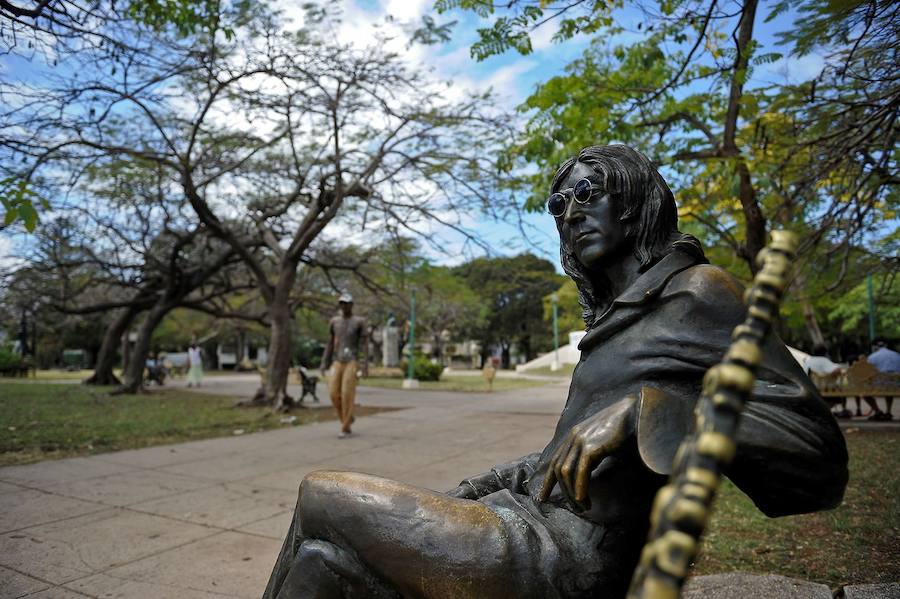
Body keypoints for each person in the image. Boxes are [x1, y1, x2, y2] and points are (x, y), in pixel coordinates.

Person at [263, 145, 848, 599]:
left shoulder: (700, 292)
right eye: (559, 207)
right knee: (324, 564)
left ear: (633, 198)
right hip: (529, 520)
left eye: (587, 195)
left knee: (321, 495)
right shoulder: (614, 323)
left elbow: (817, 457)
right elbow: (568, 458)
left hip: (572, 561)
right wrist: (487, 483)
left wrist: (648, 414)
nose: (570, 215)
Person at [320, 293, 369, 438]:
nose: (344, 306)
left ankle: (345, 427)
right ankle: (347, 418)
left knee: (347, 393)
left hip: (352, 360)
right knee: (333, 393)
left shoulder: (359, 321)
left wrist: (365, 365)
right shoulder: (334, 321)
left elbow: (365, 345)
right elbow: (330, 343)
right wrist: (324, 362)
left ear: (351, 305)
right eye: (341, 303)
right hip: (338, 360)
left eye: (346, 303)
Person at [804, 345, 848, 418]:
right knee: (843, 389)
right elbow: (836, 370)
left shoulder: (808, 361)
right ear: (825, 352)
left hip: (811, 386)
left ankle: (822, 410)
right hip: (824, 387)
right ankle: (842, 410)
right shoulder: (824, 361)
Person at [863, 341, 899, 420]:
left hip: (879, 385)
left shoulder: (872, 356)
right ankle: (888, 411)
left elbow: (867, 371)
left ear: (875, 347)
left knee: (863, 392)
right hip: (896, 385)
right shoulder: (896, 355)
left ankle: (877, 411)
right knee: (890, 387)